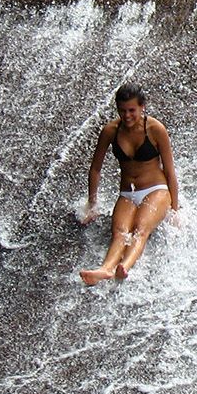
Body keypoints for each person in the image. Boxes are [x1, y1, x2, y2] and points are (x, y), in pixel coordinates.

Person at [78, 84, 180, 284]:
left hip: (156, 190)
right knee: (119, 233)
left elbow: (169, 170)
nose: (127, 115)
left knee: (140, 230)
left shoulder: (155, 129)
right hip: (128, 193)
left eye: (132, 110)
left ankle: (124, 266)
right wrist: (92, 204)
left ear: (142, 107)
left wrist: (175, 209)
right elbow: (95, 169)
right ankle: (106, 269)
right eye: (122, 110)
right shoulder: (110, 131)